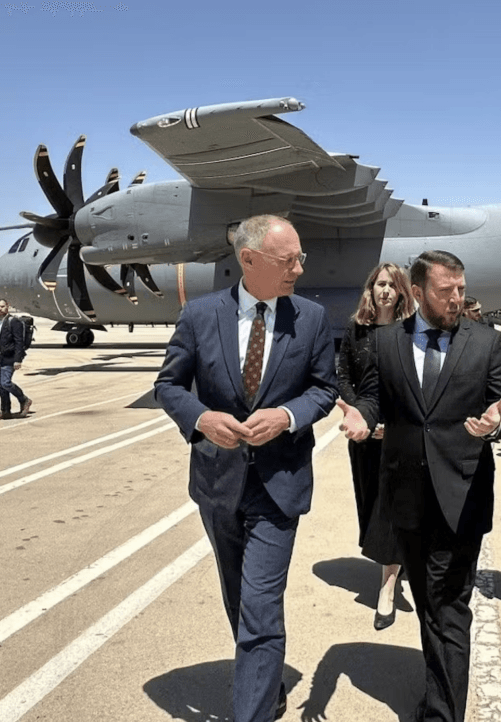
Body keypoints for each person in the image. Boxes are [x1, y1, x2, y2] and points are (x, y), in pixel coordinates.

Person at [153, 215, 337, 722]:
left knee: (260, 602)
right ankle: (266, 683)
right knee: (237, 594)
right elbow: (168, 385)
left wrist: (287, 416)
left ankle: (251, 710)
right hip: (218, 482)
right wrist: (202, 418)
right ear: (249, 259)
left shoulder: (311, 318)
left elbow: (325, 388)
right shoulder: (199, 316)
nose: (299, 269)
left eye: (300, 258)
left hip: (279, 486)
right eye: (288, 260)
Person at [337, 249, 501, 722]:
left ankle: (442, 713)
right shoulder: (386, 342)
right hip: (408, 498)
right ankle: (439, 691)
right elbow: (374, 397)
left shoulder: (486, 341)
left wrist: (497, 424)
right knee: (429, 604)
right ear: (417, 292)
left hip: (463, 494)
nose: (456, 298)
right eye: (445, 290)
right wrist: (363, 417)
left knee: (451, 606)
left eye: (461, 289)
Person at [336, 262, 416, 630]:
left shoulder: (411, 331)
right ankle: (396, 561)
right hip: (363, 431)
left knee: (390, 506)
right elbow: (344, 377)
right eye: (379, 284)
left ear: (401, 292)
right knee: (370, 503)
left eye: (392, 285)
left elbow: (418, 384)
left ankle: (387, 588)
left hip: (400, 431)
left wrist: (395, 425)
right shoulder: (356, 328)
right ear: (371, 289)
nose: (385, 290)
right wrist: (361, 418)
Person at [0, 298, 32, 421]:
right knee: (0, 386)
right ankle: (5, 411)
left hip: (10, 358)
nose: (0, 309)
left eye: (2, 307)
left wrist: (18, 359)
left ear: (8, 307)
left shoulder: (14, 321)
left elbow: (19, 341)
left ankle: (24, 400)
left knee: (6, 383)